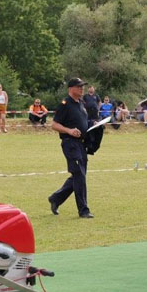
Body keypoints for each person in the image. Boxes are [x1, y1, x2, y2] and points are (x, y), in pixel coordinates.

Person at [48, 78, 93, 219]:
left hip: (81, 144)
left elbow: (83, 121)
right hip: (70, 143)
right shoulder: (65, 104)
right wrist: (69, 130)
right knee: (79, 175)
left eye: (82, 86)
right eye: (79, 87)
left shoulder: (81, 103)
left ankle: (56, 198)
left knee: (79, 175)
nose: (82, 89)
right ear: (71, 88)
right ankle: (83, 210)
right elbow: (54, 125)